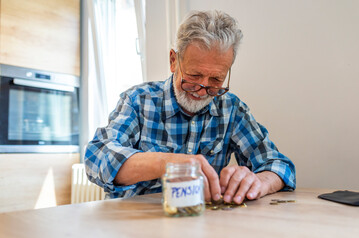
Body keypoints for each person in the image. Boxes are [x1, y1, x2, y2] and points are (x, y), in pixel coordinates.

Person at [84, 10, 296, 204]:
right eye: (194, 75)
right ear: (173, 61)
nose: (203, 90)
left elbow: (279, 165)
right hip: (134, 226)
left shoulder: (232, 109)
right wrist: (167, 163)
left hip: (201, 225)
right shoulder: (138, 101)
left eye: (216, 79)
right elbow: (97, 158)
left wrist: (259, 181)